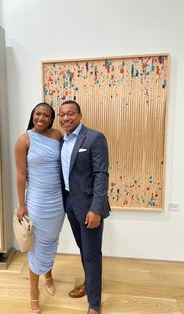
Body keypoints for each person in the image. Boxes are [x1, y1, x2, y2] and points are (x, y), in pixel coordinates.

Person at [58, 100, 110, 314]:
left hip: (89, 206)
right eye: (62, 114)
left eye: (70, 113)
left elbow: (101, 174)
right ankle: (90, 285)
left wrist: (96, 209)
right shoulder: (62, 140)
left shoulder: (95, 138)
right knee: (84, 249)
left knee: (91, 253)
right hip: (70, 203)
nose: (65, 118)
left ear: (79, 115)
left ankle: (94, 304)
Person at [15, 102, 65, 314]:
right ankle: (33, 295)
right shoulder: (23, 140)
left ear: (52, 118)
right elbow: (20, 176)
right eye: (38, 114)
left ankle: (49, 275)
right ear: (33, 115)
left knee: (51, 240)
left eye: (46, 115)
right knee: (36, 245)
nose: (41, 118)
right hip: (36, 199)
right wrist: (21, 205)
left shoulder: (57, 135)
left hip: (57, 201)